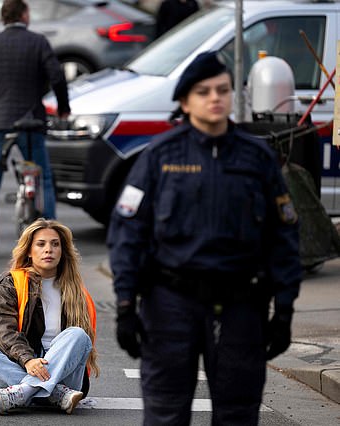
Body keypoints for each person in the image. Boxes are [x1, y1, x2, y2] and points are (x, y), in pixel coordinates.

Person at [107, 51, 302, 425]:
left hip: (240, 308)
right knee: (166, 414)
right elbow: (127, 232)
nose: (215, 98)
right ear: (185, 101)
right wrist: (126, 305)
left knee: (238, 415)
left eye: (222, 90)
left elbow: (284, 235)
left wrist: (286, 309)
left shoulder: (257, 157)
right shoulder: (160, 157)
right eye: (204, 91)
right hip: (170, 306)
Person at [0, 218, 99, 415]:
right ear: (29, 250)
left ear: (62, 251)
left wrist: (45, 366)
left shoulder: (76, 291)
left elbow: (81, 350)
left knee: (78, 335)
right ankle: (55, 395)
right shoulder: (9, 284)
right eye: (41, 244)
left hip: (62, 371)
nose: (48, 249)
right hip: (22, 364)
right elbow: (0, 330)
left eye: (55, 244)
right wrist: (27, 360)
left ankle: (23, 392)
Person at [0, 0, 70, 259]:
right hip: (31, 121)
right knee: (42, 178)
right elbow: (57, 76)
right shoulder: (38, 42)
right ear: (24, 15)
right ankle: (52, 242)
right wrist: (63, 107)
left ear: (3, 17)